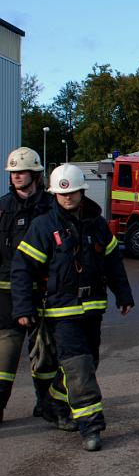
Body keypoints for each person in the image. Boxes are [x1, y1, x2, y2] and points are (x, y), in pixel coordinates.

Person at [12, 164, 135, 451]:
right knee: (79, 367)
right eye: (61, 194)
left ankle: (53, 402)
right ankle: (90, 426)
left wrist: (124, 295)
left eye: (72, 193)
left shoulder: (98, 224)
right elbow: (22, 269)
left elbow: (113, 262)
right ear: (54, 194)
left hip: (92, 309)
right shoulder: (43, 226)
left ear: (82, 191)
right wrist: (23, 308)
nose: (67, 198)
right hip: (60, 312)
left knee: (88, 363)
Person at [0, 148, 56, 426]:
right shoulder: (1, 208)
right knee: (4, 359)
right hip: (6, 293)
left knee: (44, 354)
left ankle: (45, 404)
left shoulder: (51, 207)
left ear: (35, 174)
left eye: (21, 172)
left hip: (43, 292)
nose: (16, 176)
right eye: (13, 173)